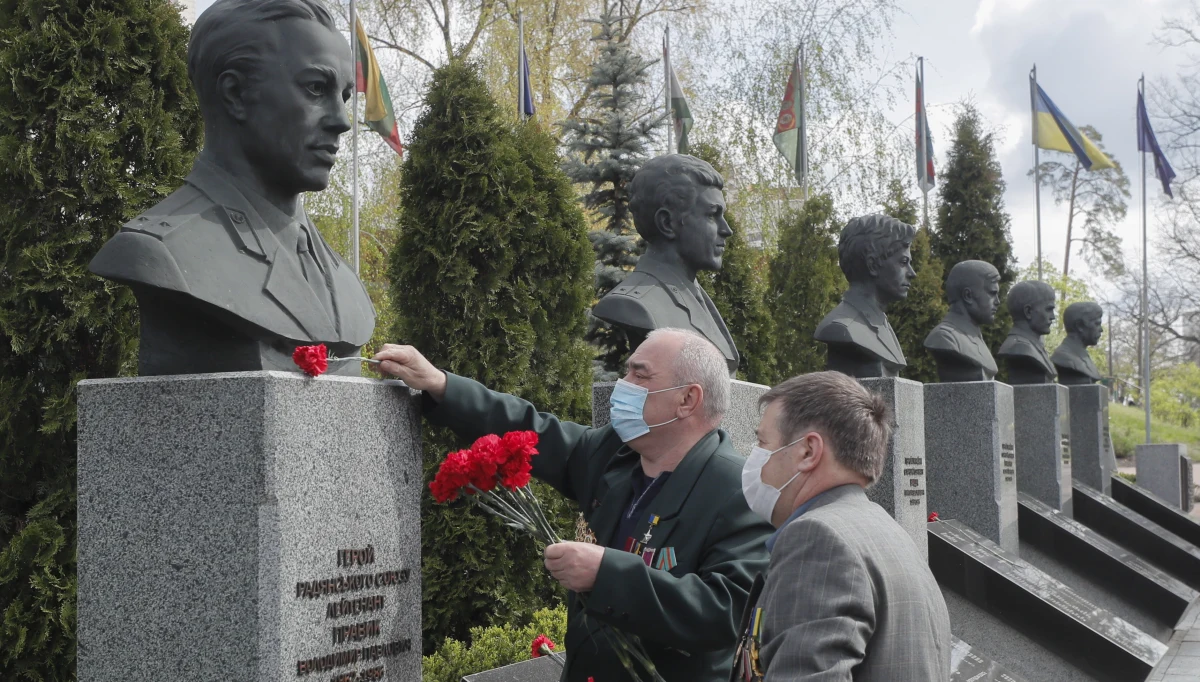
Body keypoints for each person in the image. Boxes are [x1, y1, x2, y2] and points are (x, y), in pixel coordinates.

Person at [374, 328, 772, 682]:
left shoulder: (736, 491)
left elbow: (726, 612)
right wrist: (442, 385)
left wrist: (606, 573)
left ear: (687, 399)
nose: (622, 385)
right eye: (626, 372)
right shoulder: (614, 453)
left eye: (640, 374)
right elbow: (530, 430)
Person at [89, 0, 375, 376]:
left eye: (344, 96)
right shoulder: (162, 252)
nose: (342, 121)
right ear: (236, 94)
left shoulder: (344, 281)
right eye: (316, 88)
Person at [732, 371, 950, 681]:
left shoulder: (818, 539)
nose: (755, 457)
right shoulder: (885, 531)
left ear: (808, 452)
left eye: (762, 442)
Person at [592, 154, 740, 373]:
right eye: (712, 215)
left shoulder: (695, 294)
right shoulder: (636, 305)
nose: (726, 230)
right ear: (667, 223)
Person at [814, 214, 916, 378]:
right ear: (873, 264)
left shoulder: (881, 323)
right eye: (903, 262)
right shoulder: (841, 327)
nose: (912, 273)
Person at [923, 260, 1001, 382]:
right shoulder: (944, 337)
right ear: (968, 296)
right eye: (992, 293)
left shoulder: (975, 337)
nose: (997, 301)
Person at [997, 280, 1057, 385]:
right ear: (1028, 311)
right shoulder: (1018, 347)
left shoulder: (1033, 345)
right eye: (1048, 309)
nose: (1053, 317)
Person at [1052, 302, 1104, 385]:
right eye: (1097, 324)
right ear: (1080, 326)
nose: (1101, 330)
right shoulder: (1063, 357)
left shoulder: (1082, 355)